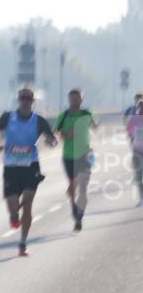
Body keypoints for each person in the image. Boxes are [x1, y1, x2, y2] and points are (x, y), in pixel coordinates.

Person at [0, 87, 58, 256]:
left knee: (28, 203)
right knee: (13, 204)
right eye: (23, 98)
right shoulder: (8, 117)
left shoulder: (39, 121)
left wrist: (51, 142)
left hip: (31, 166)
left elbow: (52, 139)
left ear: (33, 101)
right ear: (19, 100)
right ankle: (14, 215)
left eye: (29, 99)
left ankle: (22, 243)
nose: (26, 101)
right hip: (11, 166)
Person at [54, 89, 98, 231]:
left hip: (84, 155)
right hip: (68, 155)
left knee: (83, 186)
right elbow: (57, 134)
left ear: (81, 100)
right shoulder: (63, 116)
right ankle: (73, 205)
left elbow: (95, 127)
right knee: (73, 184)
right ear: (69, 100)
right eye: (72, 99)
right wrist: (67, 134)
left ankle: (79, 216)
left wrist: (95, 127)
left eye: (77, 99)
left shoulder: (87, 113)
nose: (75, 101)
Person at [127, 99, 143, 207]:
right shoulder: (133, 119)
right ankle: (142, 198)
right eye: (140, 107)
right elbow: (129, 133)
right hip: (137, 151)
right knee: (138, 176)